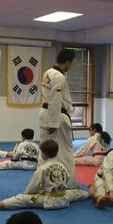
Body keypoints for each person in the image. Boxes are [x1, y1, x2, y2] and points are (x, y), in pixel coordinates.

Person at [0, 140, 89, 211]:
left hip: (48, 200)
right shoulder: (63, 166)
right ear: (56, 153)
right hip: (64, 198)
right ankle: (93, 194)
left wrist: (30, 195)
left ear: (43, 154)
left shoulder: (42, 168)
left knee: (22, 199)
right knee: (78, 193)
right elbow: (70, 182)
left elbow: (30, 189)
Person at [40, 49, 76, 178]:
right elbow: (55, 99)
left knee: (45, 150)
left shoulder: (47, 73)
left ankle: (42, 179)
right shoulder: (59, 76)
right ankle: (69, 180)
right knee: (65, 150)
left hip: (45, 112)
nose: (70, 66)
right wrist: (53, 123)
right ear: (67, 62)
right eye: (71, 63)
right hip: (56, 116)